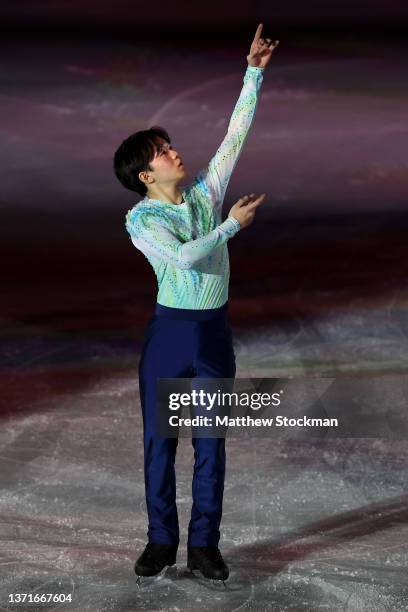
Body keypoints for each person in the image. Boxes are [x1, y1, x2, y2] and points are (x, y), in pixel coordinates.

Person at [113, 24, 279, 583]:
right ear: (146, 175)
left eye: (168, 145)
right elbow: (183, 260)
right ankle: (161, 539)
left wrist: (252, 72)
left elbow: (235, 136)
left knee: (213, 443)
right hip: (171, 337)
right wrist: (232, 226)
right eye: (162, 153)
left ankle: (204, 543)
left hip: (213, 334)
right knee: (161, 444)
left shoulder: (206, 194)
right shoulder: (142, 220)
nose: (173, 152)